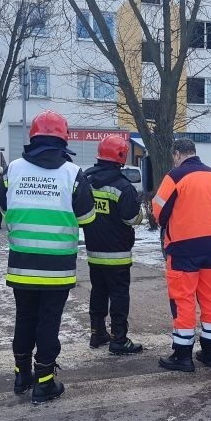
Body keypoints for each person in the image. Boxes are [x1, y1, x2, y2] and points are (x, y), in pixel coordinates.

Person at [5, 110, 96, 404]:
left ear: (33, 136)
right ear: (63, 139)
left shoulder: (13, 169)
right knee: (48, 321)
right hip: (57, 266)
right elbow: (87, 217)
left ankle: (21, 374)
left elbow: (4, 210)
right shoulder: (72, 173)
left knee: (24, 317)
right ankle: (44, 381)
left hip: (21, 263)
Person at [152, 138, 211, 372]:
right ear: (194, 152)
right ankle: (210, 352)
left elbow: (158, 212)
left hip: (183, 248)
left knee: (183, 300)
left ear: (176, 154)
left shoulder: (174, 176)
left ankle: (183, 355)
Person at [83, 135, 144, 355]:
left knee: (98, 291)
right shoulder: (122, 185)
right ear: (121, 156)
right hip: (117, 253)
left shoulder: (86, 180)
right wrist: (142, 212)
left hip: (93, 251)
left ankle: (97, 333)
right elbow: (131, 218)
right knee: (119, 295)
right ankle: (119, 339)